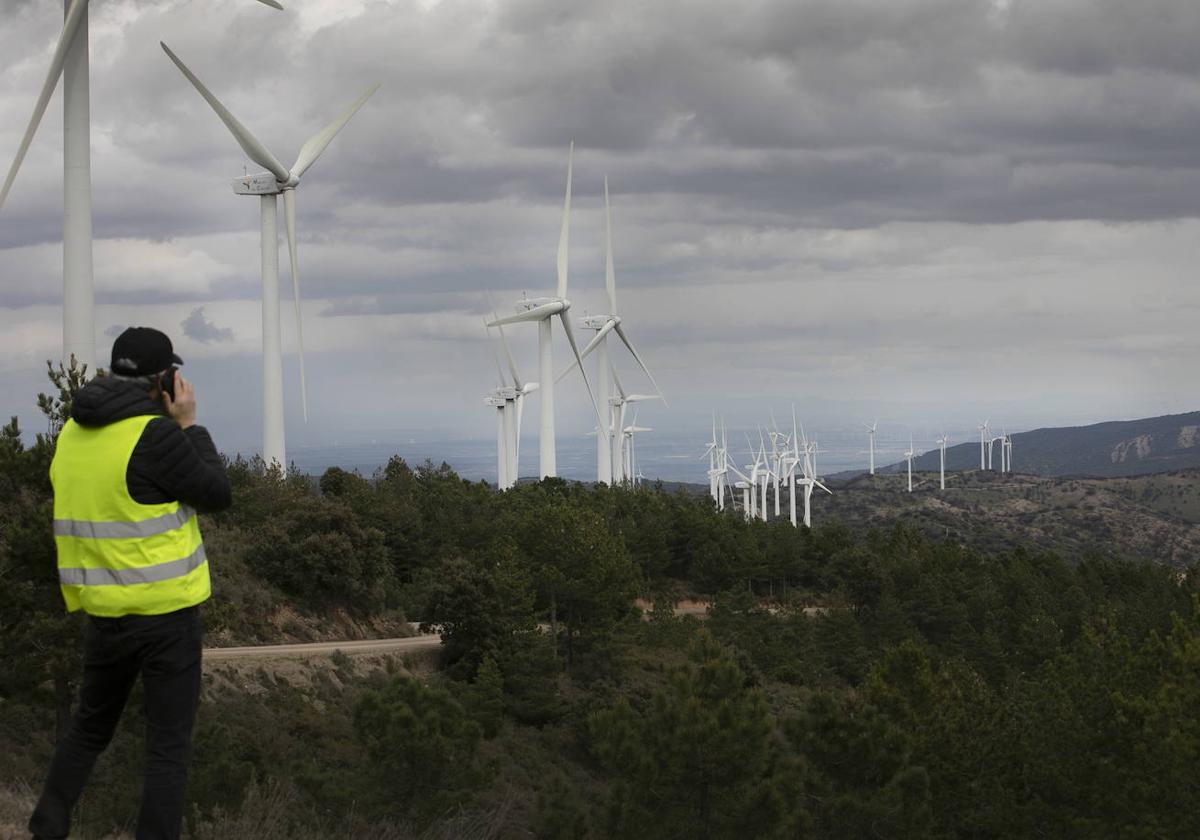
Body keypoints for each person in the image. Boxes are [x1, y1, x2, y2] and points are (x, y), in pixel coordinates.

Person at [29, 327, 231, 840]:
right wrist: (189, 424)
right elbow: (215, 492)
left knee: (89, 727)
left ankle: (46, 825)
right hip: (166, 615)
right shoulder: (154, 436)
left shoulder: (72, 433)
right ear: (163, 380)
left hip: (104, 611)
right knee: (167, 748)